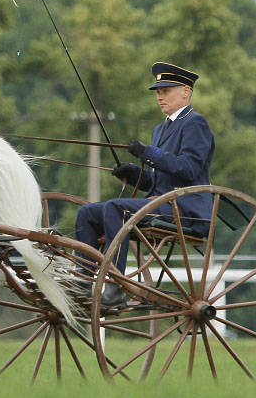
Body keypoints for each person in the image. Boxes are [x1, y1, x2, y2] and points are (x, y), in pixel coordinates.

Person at [73, 62, 215, 307]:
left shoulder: (195, 123)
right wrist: (132, 172)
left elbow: (189, 169)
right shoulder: (159, 129)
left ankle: (117, 286)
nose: (160, 97)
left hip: (184, 209)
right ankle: (83, 282)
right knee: (87, 212)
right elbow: (160, 180)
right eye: (158, 92)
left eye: (166, 90)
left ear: (185, 91)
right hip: (160, 203)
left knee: (116, 208)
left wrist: (148, 153)